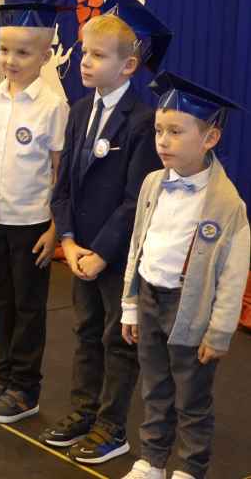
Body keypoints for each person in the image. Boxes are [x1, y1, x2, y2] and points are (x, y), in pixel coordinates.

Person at [40, 0, 171, 464]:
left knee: (118, 340)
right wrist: (69, 241)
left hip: (115, 257)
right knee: (86, 332)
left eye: (98, 55)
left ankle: (112, 426)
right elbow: (64, 187)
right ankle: (83, 410)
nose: (85, 62)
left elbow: (136, 199)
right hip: (81, 253)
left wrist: (102, 253)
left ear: (128, 65)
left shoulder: (142, 121)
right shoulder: (79, 112)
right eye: (83, 52)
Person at [120, 73, 249, 479]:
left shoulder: (227, 204)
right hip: (150, 297)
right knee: (155, 388)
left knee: (191, 398)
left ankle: (191, 469)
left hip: (188, 309)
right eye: (159, 130)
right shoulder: (152, 183)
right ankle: (152, 461)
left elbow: (233, 275)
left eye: (176, 132)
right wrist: (130, 305)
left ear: (210, 138)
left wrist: (220, 331)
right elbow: (137, 246)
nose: (163, 141)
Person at [0, 2, 69, 424]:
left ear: (45, 56)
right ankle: (4, 375)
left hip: (31, 224)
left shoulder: (52, 106)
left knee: (28, 307)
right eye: (6, 50)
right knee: (1, 301)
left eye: (23, 52)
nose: (10, 60)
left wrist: (55, 228)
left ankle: (25, 388)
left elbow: (60, 172)